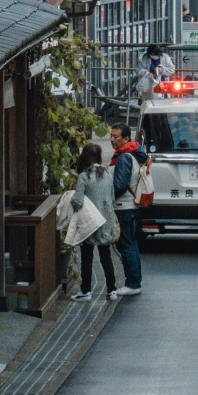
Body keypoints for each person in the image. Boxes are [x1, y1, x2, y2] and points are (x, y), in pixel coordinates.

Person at [70, 143, 119, 302]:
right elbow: (112, 198)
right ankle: (112, 290)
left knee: (87, 257)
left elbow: (77, 201)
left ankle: (86, 291)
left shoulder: (84, 176)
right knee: (106, 256)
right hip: (106, 220)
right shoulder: (108, 174)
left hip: (89, 222)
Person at [109, 123, 147, 297]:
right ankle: (135, 281)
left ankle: (132, 283)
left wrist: (106, 197)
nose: (112, 139)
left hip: (123, 206)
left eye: (116, 137)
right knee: (131, 243)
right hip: (130, 205)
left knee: (126, 245)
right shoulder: (132, 154)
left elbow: (120, 185)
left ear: (126, 139)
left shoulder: (124, 157)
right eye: (111, 136)